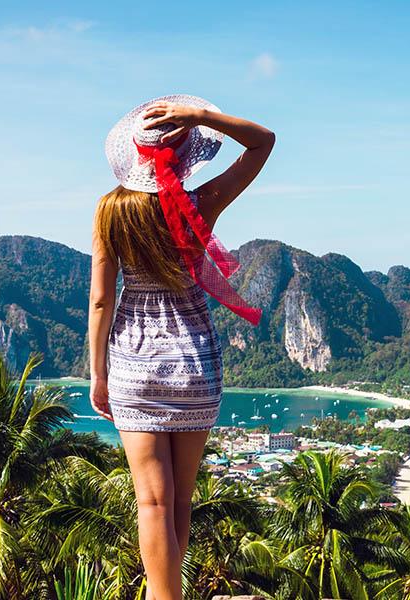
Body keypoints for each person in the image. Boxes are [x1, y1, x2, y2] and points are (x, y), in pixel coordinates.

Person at [88, 94, 274, 600]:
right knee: (181, 502)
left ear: (132, 154)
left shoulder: (110, 211)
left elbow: (102, 300)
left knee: (152, 504)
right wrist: (202, 116)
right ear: (187, 152)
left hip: (134, 363)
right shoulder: (199, 203)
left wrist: (98, 373)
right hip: (194, 362)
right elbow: (263, 143)